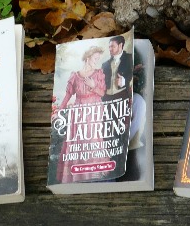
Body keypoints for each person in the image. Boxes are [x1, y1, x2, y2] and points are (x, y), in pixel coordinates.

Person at [54, 45, 107, 183]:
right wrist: (59, 111)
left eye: (98, 59)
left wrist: (92, 85)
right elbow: (67, 95)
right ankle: (77, 175)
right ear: (88, 58)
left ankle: (93, 173)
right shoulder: (75, 75)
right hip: (78, 108)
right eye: (95, 58)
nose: (96, 61)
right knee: (76, 140)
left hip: (94, 108)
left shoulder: (99, 73)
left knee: (92, 138)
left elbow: (102, 93)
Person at [101, 35, 133, 102]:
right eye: (109, 47)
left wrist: (124, 82)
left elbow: (136, 75)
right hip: (107, 98)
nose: (110, 49)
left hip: (123, 95)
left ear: (120, 45)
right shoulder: (105, 64)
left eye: (112, 46)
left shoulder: (130, 58)